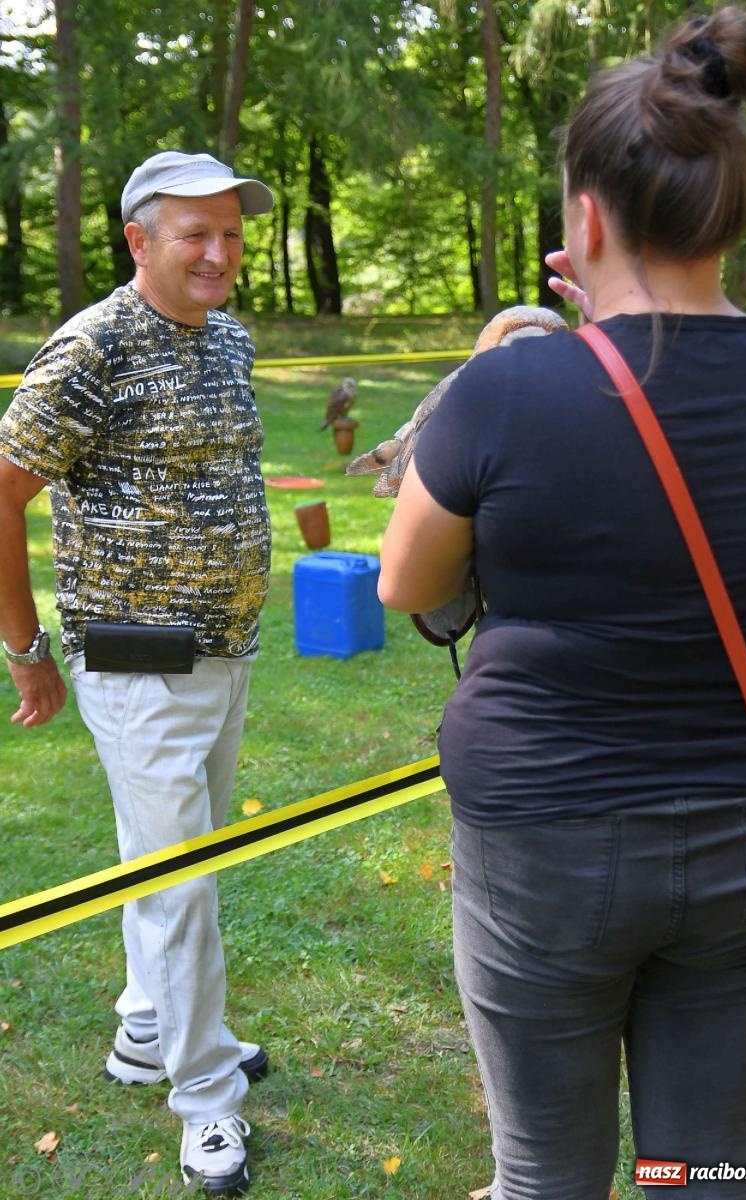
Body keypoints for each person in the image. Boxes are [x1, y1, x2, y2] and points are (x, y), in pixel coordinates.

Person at [378, 9, 746, 1199]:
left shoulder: (504, 388)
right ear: (728, 214)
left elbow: (406, 584)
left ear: (586, 215)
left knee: (545, 1175)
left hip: (542, 837)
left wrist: (525, 367)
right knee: (702, 1165)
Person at [0, 150, 275, 1196]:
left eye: (230, 234)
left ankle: (144, 1029)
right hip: (134, 665)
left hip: (222, 656)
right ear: (137, 241)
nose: (217, 253)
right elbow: (1, 495)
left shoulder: (230, 339)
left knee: (159, 861)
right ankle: (205, 1098)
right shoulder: (90, 350)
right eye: (194, 233)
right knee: (182, 884)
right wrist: (27, 653)